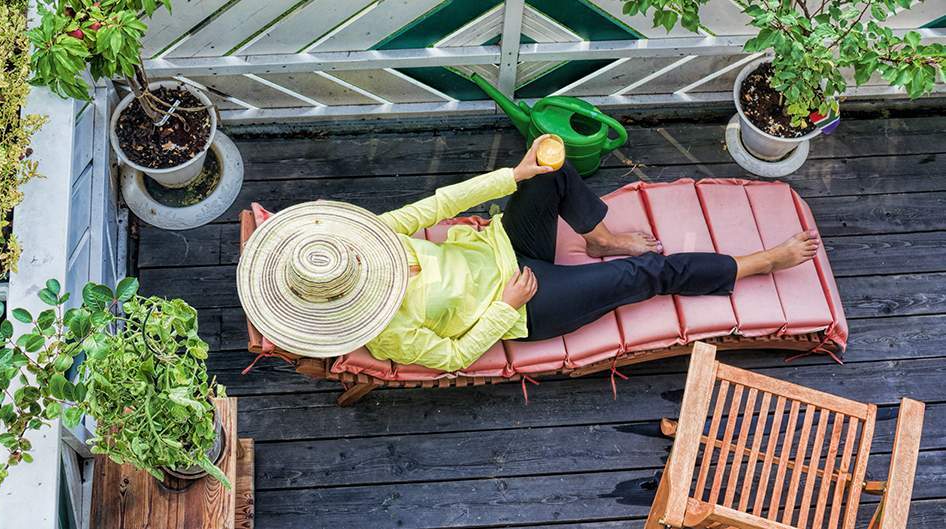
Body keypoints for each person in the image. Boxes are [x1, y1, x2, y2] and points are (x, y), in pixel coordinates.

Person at [237, 135, 819, 371]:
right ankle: (757, 263)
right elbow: (454, 356)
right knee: (643, 274)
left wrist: (511, 175)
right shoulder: (387, 332)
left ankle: (596, 236)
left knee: (546, 172)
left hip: (504, 248)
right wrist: (505, 306)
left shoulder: (366, 238)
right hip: (527, 304)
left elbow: (438, 205)